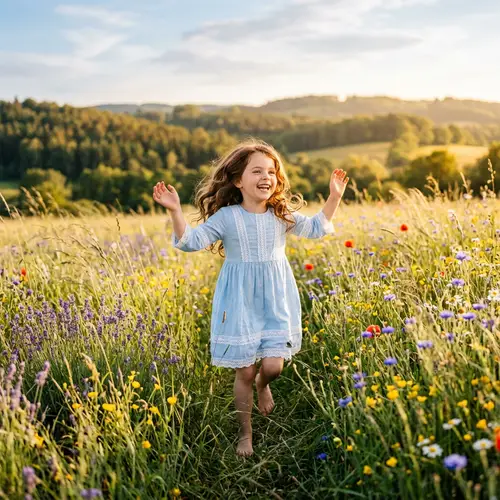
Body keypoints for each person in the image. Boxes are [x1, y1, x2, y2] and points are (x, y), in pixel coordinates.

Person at [152, 139, 349, 457]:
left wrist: (334, 197)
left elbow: (315, 228)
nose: (266, 177)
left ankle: (263, 384)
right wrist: (175, 210)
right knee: (244, 370)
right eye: (257, 170)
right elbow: (190, 241)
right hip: (239, 299)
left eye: (271, 171)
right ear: (237, 180)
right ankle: (246, 435)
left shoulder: (281, 214)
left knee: (273, 365)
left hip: (275, 297)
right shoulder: (227, 218)